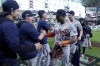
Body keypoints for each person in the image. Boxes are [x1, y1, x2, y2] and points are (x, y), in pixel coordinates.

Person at [0, 1, 41, 66]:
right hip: (7, 60)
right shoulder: (9, 25)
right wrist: (34, 47)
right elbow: (15, 47)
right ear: (11, 11)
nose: (18, 13)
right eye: (17, 11)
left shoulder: (3, 22)